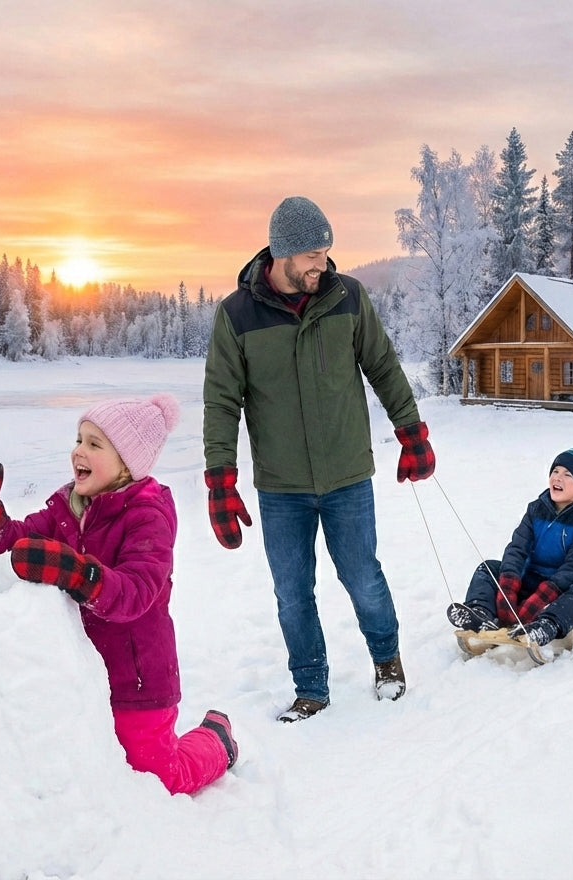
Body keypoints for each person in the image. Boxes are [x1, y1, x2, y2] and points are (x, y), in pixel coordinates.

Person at [202, 196, 435, 722]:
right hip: (281, 485)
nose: (320, 265)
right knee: (292, 591)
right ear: (281, 254)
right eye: (311, 254)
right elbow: (221, 400)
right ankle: (311, 686)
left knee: (362, 577)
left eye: (326, 252)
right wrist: (221, 479)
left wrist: (411, 431)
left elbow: (383, 365)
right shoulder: (237, 315)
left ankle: (387, 661)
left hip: (347, 474)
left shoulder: (347, 297)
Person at [0, 394, 237, 794]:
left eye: (94, 444)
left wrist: (75, 573)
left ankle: (216, 740)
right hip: (80, 674)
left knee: (159, 776)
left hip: (138, 682)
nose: (78, 451)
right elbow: (13, 546)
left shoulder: (148, 515)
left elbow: (135, 592)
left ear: (127, 464)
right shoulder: (67, 507)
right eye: (79, 439)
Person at [447, 443, 573, 645]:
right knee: (488, 568)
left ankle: (546, 625)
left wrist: (548, 591)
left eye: (568, 474)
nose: (557, 477)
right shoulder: (536, 509)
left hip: (564, 588)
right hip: (532, 580)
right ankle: (481, 612)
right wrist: (509, 583)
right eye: (555, 471)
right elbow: (517, 548)